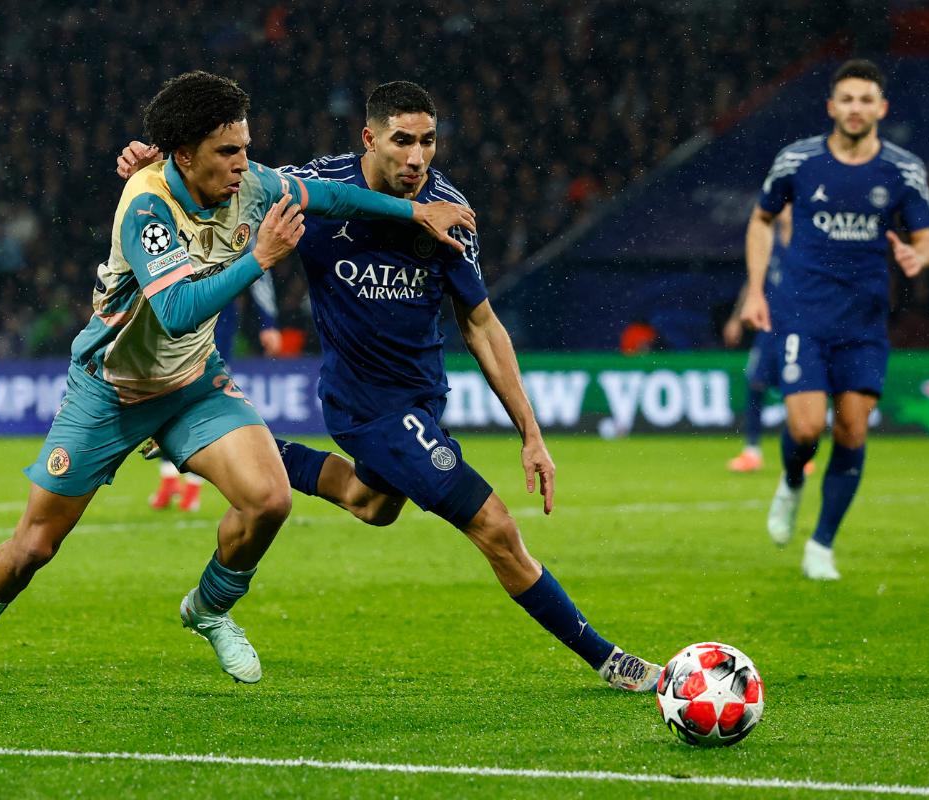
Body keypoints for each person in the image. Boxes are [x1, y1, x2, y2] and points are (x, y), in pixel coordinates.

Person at [0, 71, 474, 699]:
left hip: (193, 384)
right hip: (112, 390)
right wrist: (259, 259)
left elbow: (336, 199)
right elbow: (177, 312)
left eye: (245, 147)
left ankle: (210, 608)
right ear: (183, 155)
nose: (245, 164)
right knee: (35, 545)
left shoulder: (255, 185)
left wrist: (415, 210)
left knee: (270, 501)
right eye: (228, 151)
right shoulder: (147, 204)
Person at [120, 81, 660, 691]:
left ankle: (212, 449)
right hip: (363, 403)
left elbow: (480, 324)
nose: (417, 157)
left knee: (368, 503)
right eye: (402, 141)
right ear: (369, 139)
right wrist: (159, 167)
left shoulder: (449, 211)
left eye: (429, 141)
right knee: (496, 528)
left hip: (421, 396)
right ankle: (609, 660)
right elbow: (222, 178)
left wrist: (531, 433)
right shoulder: (318, 187)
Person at [740, 59, 929, 580]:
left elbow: (924, 238)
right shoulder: (797, 161)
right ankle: (792, 480)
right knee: (805, 429)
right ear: (831, 106)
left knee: (851, 430)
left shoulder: (903, 170)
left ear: (882, 108)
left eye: (866, 99)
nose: (856, 108)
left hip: (865, 322)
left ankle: (821, 544)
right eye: (846, 99)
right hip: (802, 313)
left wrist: (919, 258)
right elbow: (761, 220)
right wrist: (756, 291)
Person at [148, 277, 282, 513]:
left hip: (215, 333)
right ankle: (169, 480)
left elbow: (260, 268)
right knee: (167, 402)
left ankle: (192, 488)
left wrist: (268, 322)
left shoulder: (236, 240)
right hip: (174, 330)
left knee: (203, 407)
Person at [724, 207, 813, 473]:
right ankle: (752, 451)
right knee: (755, 383)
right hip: (768, 327)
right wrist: (736, 317)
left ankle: (802, 451)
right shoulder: (768, 241)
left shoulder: (807, 244)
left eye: (789, 207)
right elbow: (753, 283)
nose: (783, 211)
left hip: (799, 328)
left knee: (797, 390)